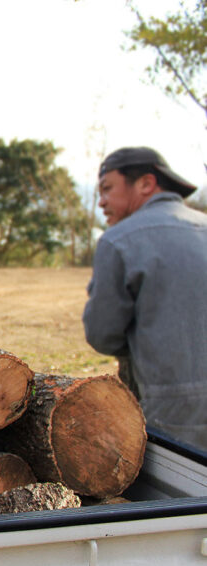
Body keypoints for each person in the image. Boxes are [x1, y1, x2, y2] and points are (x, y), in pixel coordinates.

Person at [83, 146, 207, 452]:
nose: (101, 201)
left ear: (146, 183)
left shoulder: (119, 241)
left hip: (174, 411)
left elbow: (102, 335)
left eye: (107, 188)